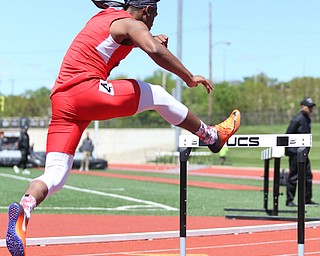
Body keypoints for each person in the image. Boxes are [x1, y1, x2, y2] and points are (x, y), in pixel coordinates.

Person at [5, 1, 241, 255]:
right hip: (86, 91)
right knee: (157, 94)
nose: (151, 25)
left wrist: (146, 38)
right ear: (148, 11)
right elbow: (151, 48)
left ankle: (25, 208)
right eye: (154, 17)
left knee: (55, 176)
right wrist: (189, 77)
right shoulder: (132, 23)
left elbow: (125, 34)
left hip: (62, 101)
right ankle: (212, 136)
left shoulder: (109, 16)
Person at [285, 97, 318, 207]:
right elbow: (288, 134)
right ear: (302, 106)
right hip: (295, 152)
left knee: (308, 175)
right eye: (308, 106)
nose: (310, 109)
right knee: (294, 176)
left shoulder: (307, 119)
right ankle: (289, 200)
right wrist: (288, 150)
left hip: (303, 153)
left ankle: (307, 199)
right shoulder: (297, 119)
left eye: (311, 107)